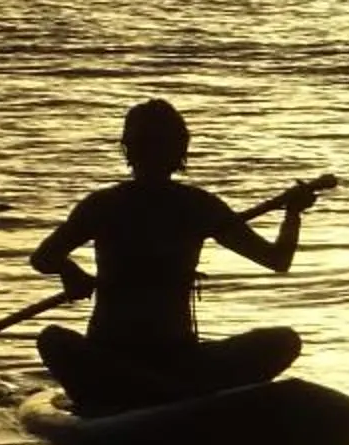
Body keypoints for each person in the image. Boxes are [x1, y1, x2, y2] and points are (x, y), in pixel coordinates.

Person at [31, 98, 328, 414]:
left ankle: (155, 391)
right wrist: (70, 271)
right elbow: (44, 258)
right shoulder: (107, 205)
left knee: (283, 341)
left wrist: (292, 213)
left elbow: (276, 260)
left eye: (158, 145)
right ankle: (172, 393)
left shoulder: (196, 206)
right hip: (114, 356)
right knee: (53, 340)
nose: (152, 153)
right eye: (148, 144)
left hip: (178, 359)